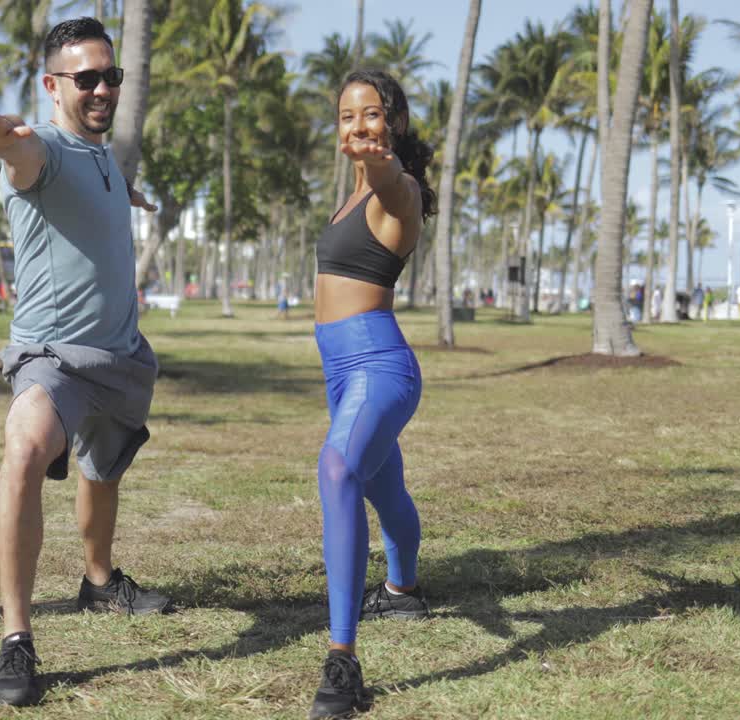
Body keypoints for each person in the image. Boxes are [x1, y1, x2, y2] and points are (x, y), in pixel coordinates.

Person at [0, 17, 167, 708]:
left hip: (122, 356)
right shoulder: (44, 147)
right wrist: (2, 139)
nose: (103, 88)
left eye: (111, 76)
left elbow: (100, 198)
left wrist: (131, 195)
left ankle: (99, 581)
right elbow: (24, 160)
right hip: (55, 356)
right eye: (87, 79)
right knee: (24, 450)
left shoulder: (104, 156)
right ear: (53, 86)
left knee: (102, 467)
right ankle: (17, 639)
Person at [307, 69, 433, 720]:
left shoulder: (396, 190)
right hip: (340, 370)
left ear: (393, 123)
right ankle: (404, 587)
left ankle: (342, 661)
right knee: (385, 492)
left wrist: (384, 165)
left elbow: (393, 179)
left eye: (373, 113)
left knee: (336, 471)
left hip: (380, 366)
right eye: (348, 116)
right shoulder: (349, 201)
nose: (359, 125)